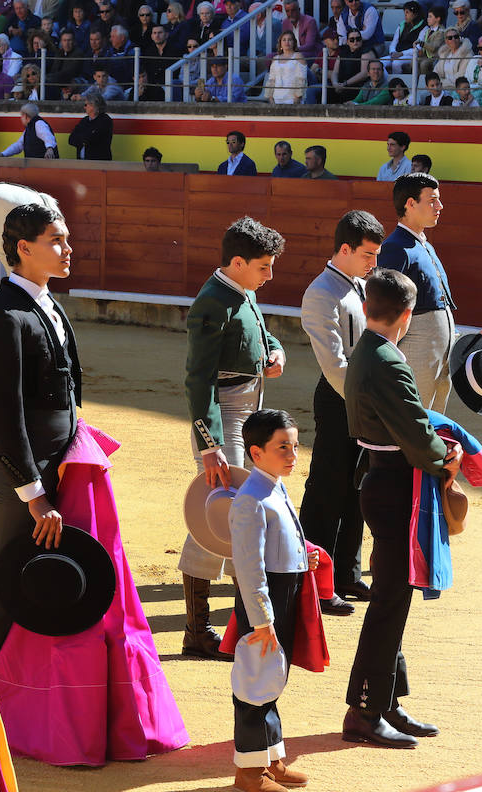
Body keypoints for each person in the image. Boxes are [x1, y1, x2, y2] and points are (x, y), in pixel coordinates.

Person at [340, 268, 462, 749]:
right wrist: (446, 458)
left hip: (380, 477)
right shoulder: (388, 360)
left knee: (397, 592)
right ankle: (364, 711)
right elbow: (415, 433)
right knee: (391, 596)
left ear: (367, 306)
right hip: (396, 485)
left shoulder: (366, 351)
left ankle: (387, 700)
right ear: (408, 315)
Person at [0, 202, 80, 668]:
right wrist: (33, 492)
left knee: (47, 579)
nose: (67, 248)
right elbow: (4, 414)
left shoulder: (45, 303)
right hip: (27, 475)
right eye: (56, 240)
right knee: (2, 583)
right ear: (23, 248)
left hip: (62, 464)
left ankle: (23, 697)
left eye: (66, 238)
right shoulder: (4, 316)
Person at [179, 217, 286, 660]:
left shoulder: (240, 291)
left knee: (237, 513)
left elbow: (256, 334)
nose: (270, 275)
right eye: (263, 267)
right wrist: (210, 444)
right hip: (225, 414)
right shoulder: (211, 303)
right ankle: (199, 630)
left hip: (248, 406)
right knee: (222, 515)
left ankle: (226, 624)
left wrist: (273, 350)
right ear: (237, 263)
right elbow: (198, 378)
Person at [299, 210, 384, 619]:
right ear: (345, 249)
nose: (373, 262)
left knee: (357, 487)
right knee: (327, 489)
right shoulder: (321, 292)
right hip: (339, 399)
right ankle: (315, 582)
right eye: (367, 254)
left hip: (361, 396)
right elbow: (334, 364)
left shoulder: (358, 284)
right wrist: (364, 401)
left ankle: (347, 572)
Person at [228, 408, 318, 792]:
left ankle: (271, 760)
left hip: (284, 592)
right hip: (264, 601)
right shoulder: (250, 499)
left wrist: (305, 556)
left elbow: (283, 540)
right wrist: (262, 617)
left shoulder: (274, 485)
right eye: (283, 447)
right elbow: (249, 567)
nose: (292, 454)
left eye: (295, 446)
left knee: (273, 678)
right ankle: (248, 774)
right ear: (256, 452)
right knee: (255, 680)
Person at [376, 173, 456, 413]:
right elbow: (385, 305)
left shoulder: (423, 244)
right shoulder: (395, 247)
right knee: (413, 415)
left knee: (434, 418)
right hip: (416, 349)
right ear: (410, 204)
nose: (439, 206)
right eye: (432, 200)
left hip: (439, 349)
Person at [68, 92, 112, 160]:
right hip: (82, 161)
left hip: (99, 161)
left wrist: (82, 138)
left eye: (86, 105)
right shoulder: (84, 120)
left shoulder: (105, 120)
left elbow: (93, 139)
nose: (84, 107)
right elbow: (71, 139)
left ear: (94, 105)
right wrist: (84, 139)